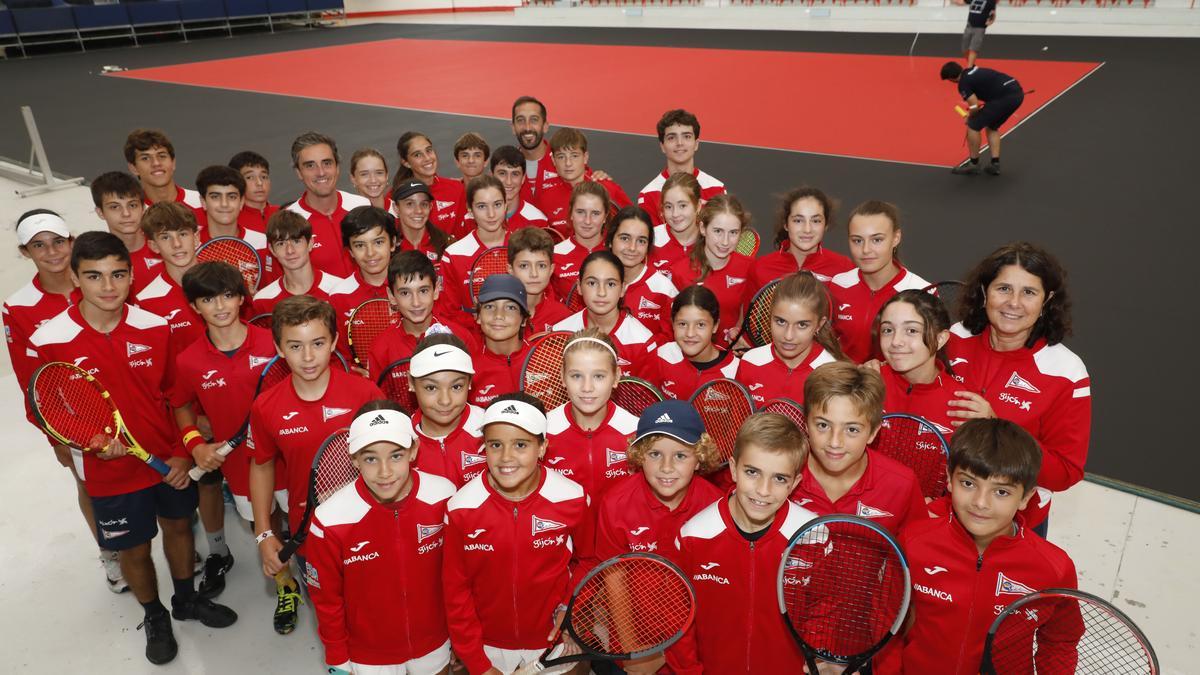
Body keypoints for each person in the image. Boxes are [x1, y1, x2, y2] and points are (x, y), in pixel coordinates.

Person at [30, 231, 237, 665]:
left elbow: (176, 396)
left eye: (118, 274)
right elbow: (48, 403)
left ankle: (184, 600)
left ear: (130, 277)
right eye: (95, 276)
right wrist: (85, 439)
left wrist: (183, 450)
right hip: (108, 470)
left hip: (167, 461)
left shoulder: (155, 326)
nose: (108, 286)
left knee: (180, 528)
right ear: (75, 277)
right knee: (134, 548)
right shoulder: (49, 338)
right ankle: (155, 614)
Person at [895, 418, 1079, 675]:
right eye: (968, 484)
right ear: (949, 480)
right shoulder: (913, 542)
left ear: (1026, 497)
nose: (980, 503)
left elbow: (1060, 641)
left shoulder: (1054, 568)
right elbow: (887, 622)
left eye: (1001, 492)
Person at [248, 296, 384, 634]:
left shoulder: (365, 394)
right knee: (334, 620)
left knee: (379, 613)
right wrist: (264, 532)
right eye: (295, 346)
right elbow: (262, 466)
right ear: (279, 348)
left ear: (334, 342)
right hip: (311, 535)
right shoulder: (266, 407)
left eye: (318, 343)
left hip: (372, 528)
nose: (308, 357)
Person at [4, 210, 124, 591]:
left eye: (58, 241)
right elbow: (30, 381)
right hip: (74, 420)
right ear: (26, 252)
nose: (52, 252)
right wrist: (54, 435)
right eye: (39, 245)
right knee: (89, 487)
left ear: (71, 241)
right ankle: (110, 553)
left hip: (126, 404)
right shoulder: (18, 306)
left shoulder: (97, 280)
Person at [442, 393, 594, 675]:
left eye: (521, 445)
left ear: (542, 447)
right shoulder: (461, 508)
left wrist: (571, 609)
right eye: (495, 445)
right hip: (486, 649)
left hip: (553, 643)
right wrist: (477, 663)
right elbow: (455, 591)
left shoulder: (572, 498)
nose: (506, 458)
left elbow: (589, 560)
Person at [946, 242, 1090, 531]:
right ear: (985, 291)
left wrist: (997, 426)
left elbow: (1065, 473)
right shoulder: (954, 337)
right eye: (1003, 289)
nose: (1014, 303)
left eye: (1029, 292)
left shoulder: (1066, 372)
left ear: (1047, 300)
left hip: (1018, 524)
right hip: (943, 509)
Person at [307, 401, 457, 675]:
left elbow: (459, 575)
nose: (385, 471)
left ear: (413, 450)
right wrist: (337, 659)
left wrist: (460, 635)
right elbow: (327, 600)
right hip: (368, 656)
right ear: (353, 459)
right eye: (370, 458)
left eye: (396, 456)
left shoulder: (444, 495)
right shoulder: (329, 520)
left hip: (435, 642)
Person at [668, 413, 818, 674]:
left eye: (779, 478)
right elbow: (678, 618)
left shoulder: (813, 534)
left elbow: (825, 608)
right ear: (734, 468)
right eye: (752, 472)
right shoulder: (694, 535)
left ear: (795, 483)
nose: (763, 490)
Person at [171, 262, 283, 602]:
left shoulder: (273, 343)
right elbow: (181, 405)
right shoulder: (188, 361)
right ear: (194, 306)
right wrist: (195, 446)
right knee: (266, 529)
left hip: (290, 459)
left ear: (241, 299)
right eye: (208, 300)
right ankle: (286, 586)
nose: (220, 307)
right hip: (241, 470)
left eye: (228, 296)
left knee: (301, 523)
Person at [791, 362, 927, 534]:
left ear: (873, 433)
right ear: (805, 423)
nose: (835, 442)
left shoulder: (902, 485)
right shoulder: (779, 473)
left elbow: (919, 551)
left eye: (852, 430)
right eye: (823, 425)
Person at [594, 399, 723, 560]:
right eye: (655, 454)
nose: (666, 467)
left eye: (680, 456)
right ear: (639, 455)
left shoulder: (717, 507)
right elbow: (614, 573)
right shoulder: (615, 504)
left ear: (699, 458)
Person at [829, 200, 931, 363]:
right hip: (844, 384)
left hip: (896, 387)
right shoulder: (838, 284)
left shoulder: (922, 291)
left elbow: (928, 357)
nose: (866, 250)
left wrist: (882, 371)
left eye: (877, 240)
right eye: (857, 240)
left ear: (896, 238)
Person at [544, 328, 640, 502]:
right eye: (576, 376)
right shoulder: (543, 430)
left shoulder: (636, 432)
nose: (587, 387)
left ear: (616, 376)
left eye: (598, 376)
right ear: (562, 377)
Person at [736, 272, 844, 406]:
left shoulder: (832, 374)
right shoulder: (750, 362)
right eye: (781, 321)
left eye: (802, 325)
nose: (788, 336)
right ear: (769, 317)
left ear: (819, 325)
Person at [366, 251, 478, 379]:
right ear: (391, 296)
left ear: (436, 290)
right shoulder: (380, 348)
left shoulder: (461, 338)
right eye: (405, 293)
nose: (416, 302)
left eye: (423, 291)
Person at [552, 251, 659, 378]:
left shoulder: (642, 340)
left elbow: (646, 396)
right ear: (579, 286)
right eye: (592, 283)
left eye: (610, 284)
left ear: (623, 289)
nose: (601, 293)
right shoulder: (559, 332)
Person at [668, 194, 755, 346]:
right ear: (703, 228)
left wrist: (740, 335)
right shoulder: (679, 272)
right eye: (718, 231)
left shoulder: (751, 268)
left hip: (733, 360)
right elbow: (674, 328)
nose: (725, 241)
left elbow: (749, 317)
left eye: (733, 232)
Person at [283, 131, 370, 278]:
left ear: (337, 167)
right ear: (298, 172)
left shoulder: (362, 206)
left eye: (327, 163)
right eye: (310, 165)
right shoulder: (288, 221)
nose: (321, 172)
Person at [875, 289, 960, 438]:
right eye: (887, 330)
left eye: (912, 330)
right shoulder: (868, 381)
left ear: (940, 339)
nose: (895, 342)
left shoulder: (962, 406)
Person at [405, 334, 488, 488]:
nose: (445, 401)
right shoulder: (401, 439)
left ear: (469, 382)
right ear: (411, 382)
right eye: (431, 388)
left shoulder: (489, 427)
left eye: (456, 387)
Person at [327, 205, 395, 371]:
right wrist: (354, 374)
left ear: (393, 243)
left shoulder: (413, 286)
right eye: (359, 245)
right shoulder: (338, 297)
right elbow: (337, 358)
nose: (370, 253)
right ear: (350, 251)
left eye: (378, 242)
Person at [749, 186, 854, 292]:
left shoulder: (845, 268)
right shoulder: (759, 267)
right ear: (786, 224)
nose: (807, 229)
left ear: (826, 225)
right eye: (798, 221)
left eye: (816, 221)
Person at [645, 286, 740, 402]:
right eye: (682, 324)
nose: (690, 333)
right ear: (673, 324)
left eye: (700, 325)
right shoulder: (661, 356)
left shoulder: (736, 371)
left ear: (715, 326)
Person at [534, 127, 632, 236]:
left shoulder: (607, 188)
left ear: (585, 157)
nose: (568, 163)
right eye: (561, 157)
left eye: (574, 156)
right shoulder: (545, 198)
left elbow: (634, 224)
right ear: (553, 161)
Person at [438, 174, 510, 320]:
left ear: (505, 205)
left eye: (497, 204)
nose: (491, 214)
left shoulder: (523, 247)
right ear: (470, 209)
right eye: (482, 206)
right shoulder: (453, 255)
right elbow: (448, 312)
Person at [637, 109, 726, 227]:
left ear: (696, 144)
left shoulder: (717, 189)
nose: (679, 143)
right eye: (671, 137)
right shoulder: (648, 194)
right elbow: (655, 243)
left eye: (687, 136)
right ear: (662, 146)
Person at [134, 202, 206, 349]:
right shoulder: (145, 302)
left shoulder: (226, 282)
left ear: (196, 238)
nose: (177, 244)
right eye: (166, 237)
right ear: (154, 246)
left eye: (183, 234)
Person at [250, 210, 348, 317]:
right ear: (272, 250)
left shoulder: (340, 290)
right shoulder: (263, 300)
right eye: (281, 243)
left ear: (310, 243)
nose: (290, 250)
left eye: (296, 241)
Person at [941, 61, 1025, 176]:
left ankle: (974, 165)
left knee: (973, 126)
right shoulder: (972, 70)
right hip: (1017, 93)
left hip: (1003, 98)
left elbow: (974, 104)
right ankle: (995, 164)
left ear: (951, 78)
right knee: (992, 126)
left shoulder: (963, 83)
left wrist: (971, 116)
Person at [608, 205, 678, 340]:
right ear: (610, 240)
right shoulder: (595, 281)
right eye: (624, 238)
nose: (632, 248)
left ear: (648, 246)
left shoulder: (664, 289)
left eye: (641, 241)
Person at [194, 165, 271, 278]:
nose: (224, 204)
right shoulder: (191, 246)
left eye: (232, 197)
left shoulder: (263, 243)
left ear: (241, 202)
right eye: (215, 197)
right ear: (203, 202)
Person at [90, 171, 158, 295]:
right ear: (100, 212)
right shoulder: (92, 261)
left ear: (143, 208)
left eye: (132, 205)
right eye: (115, 207)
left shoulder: (166, 246)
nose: (126, 214)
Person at [471, 274, 530, 408]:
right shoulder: (468, 369)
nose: (498, 315)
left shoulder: (544, 358)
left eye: (510, 308)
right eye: (489, 306)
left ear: (524, 320)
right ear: (478, 316)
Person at [393, 131, 467, 238]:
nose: (427, 158)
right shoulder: (396, 197)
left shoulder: (457, 188)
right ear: (406, 163)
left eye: (429, 150)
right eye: (417, 155)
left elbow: (463, 233)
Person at [549, 181, 612, 299]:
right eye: (580, 212)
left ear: (605, 217)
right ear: (571, 213)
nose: (587, 221)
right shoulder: (554, 255)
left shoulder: (618, 251)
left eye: (595, 213)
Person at [507, 226, 571, 334]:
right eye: (524, 266)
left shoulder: (563, 317)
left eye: (541, 266)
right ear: (510, 269)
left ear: (551, 269)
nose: (534, 274)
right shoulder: (498, 316)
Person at [123, 128, 202, 211]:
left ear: (173, 162)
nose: (156, 163)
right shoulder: (129, 215)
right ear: (133, 168)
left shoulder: (203, 204)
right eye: (145, 158)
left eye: (162, 156)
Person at [648, 172, 703, 275]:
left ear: (698, 206)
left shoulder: (712, 240)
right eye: (668, 206)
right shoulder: (650, 239)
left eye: (682, 206)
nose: (675, 214)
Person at [490, 145, 550, 232]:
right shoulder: (474, 218)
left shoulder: (538, 221)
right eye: (502, 173)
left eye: (515, 174)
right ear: (492, 176)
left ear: (523, 179)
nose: (508, 182)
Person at [391, 178, 453, 262]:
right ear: (396, 208)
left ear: (430, 207)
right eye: (409, 204)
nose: (419, 211)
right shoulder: (388, 245)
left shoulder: (446, 244)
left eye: (424, 204)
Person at [511, 95, 556, 202]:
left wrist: (600, 178)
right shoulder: (505, 166)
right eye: (520, 120)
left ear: (545, 126)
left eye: (534, 120)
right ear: (513, 128)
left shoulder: (564, 161)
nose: (527, 127)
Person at [228, 150, 279, 232]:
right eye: (250, 177)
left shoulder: (285, 214)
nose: (259, 183)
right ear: (235, 182)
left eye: (264, 177)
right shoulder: (230, 220)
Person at [962, 0, 997, 68]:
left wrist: (990, 21)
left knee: (974, 48)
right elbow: (962, 2)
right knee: (964, 48)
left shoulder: (991, 1)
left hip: (980, 28)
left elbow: (993, 13)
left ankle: (969, 67)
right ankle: (971, 65)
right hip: (969, 26)